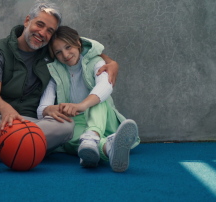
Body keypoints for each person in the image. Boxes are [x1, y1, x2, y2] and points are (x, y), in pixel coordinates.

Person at [0, 0, 120, 178]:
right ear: (27, 20)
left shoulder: (52, 53)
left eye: (49, 31)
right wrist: (5, 108)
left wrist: (110, 62)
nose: (42, 33)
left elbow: (82, 50)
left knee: (66, 125)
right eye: (40, 24)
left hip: (31, 126)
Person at [37, 26, 140, 172]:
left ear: (78, 43)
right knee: (67, 134)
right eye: (58, 52)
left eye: (68, 47)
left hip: (104, 119)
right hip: (78, 123)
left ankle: (92, 136)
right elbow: (41, 110)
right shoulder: (55, 72)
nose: (65, 55)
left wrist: (82, 105)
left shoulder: (96, 62)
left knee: (98, 99)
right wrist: (49, 109)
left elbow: (106, 86)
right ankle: (107, 149)